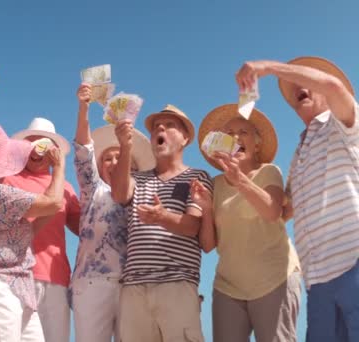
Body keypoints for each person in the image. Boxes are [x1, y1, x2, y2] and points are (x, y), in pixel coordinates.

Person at [236, 56, 359, 341]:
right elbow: (282, 212)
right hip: (317, 283)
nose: (298, 87)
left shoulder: (344, 123)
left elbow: (334, 86)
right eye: (293, 86)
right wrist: (240, 178)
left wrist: (268, 68)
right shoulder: (298, 153)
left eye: (304, 82)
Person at [0, 82, 81, 342]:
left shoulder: (64, 187)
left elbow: (84, 229)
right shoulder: (3, 178)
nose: (37, 150)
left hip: (53, 278)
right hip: (10, 275)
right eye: (31, 144)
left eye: (43, 145)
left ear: (53, 148)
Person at [192, 103, 301, 342]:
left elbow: (273, 211)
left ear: (257, 142)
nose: (236, 137)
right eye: (229, 134)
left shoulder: (268, 172)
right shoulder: (216, 184)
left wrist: (240, 180)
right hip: (228, 286)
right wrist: (207, 210)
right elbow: (209, 245)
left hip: (274, 279)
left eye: (243, 132)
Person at [110, 104, 213, 342]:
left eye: (170, 125)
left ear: (185, 138)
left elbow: (192, 227)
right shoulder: (137, 178)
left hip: (177, 283)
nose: (160, 129)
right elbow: (119, 194)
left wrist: (161, 216)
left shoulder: (197, 177)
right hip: (134, 287)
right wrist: (125, 146)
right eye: (157, 126)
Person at [70, 83, 155, 342]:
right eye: (108, 158)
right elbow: (84, 150)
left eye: (121, 157)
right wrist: (84, 108)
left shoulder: (145, 193)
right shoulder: (92, 189)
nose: (114, 162)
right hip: (92, 283)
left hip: (132, 287)